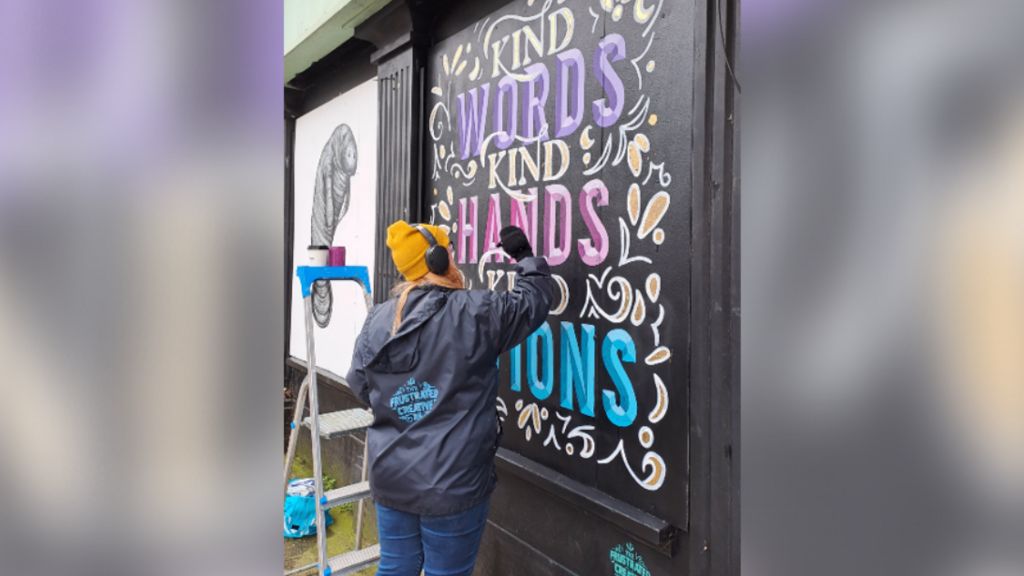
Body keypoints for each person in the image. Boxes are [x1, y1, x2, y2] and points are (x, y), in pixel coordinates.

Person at [346, 220, 553, 576]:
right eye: (450, 247)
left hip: (391, 476)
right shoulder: (474, 312)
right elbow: (533, 301)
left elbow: (360, 385)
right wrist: (524, 256)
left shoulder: (377, 320)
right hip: (453, 483)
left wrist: (405, 407)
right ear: (438, 259)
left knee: (397, 568)